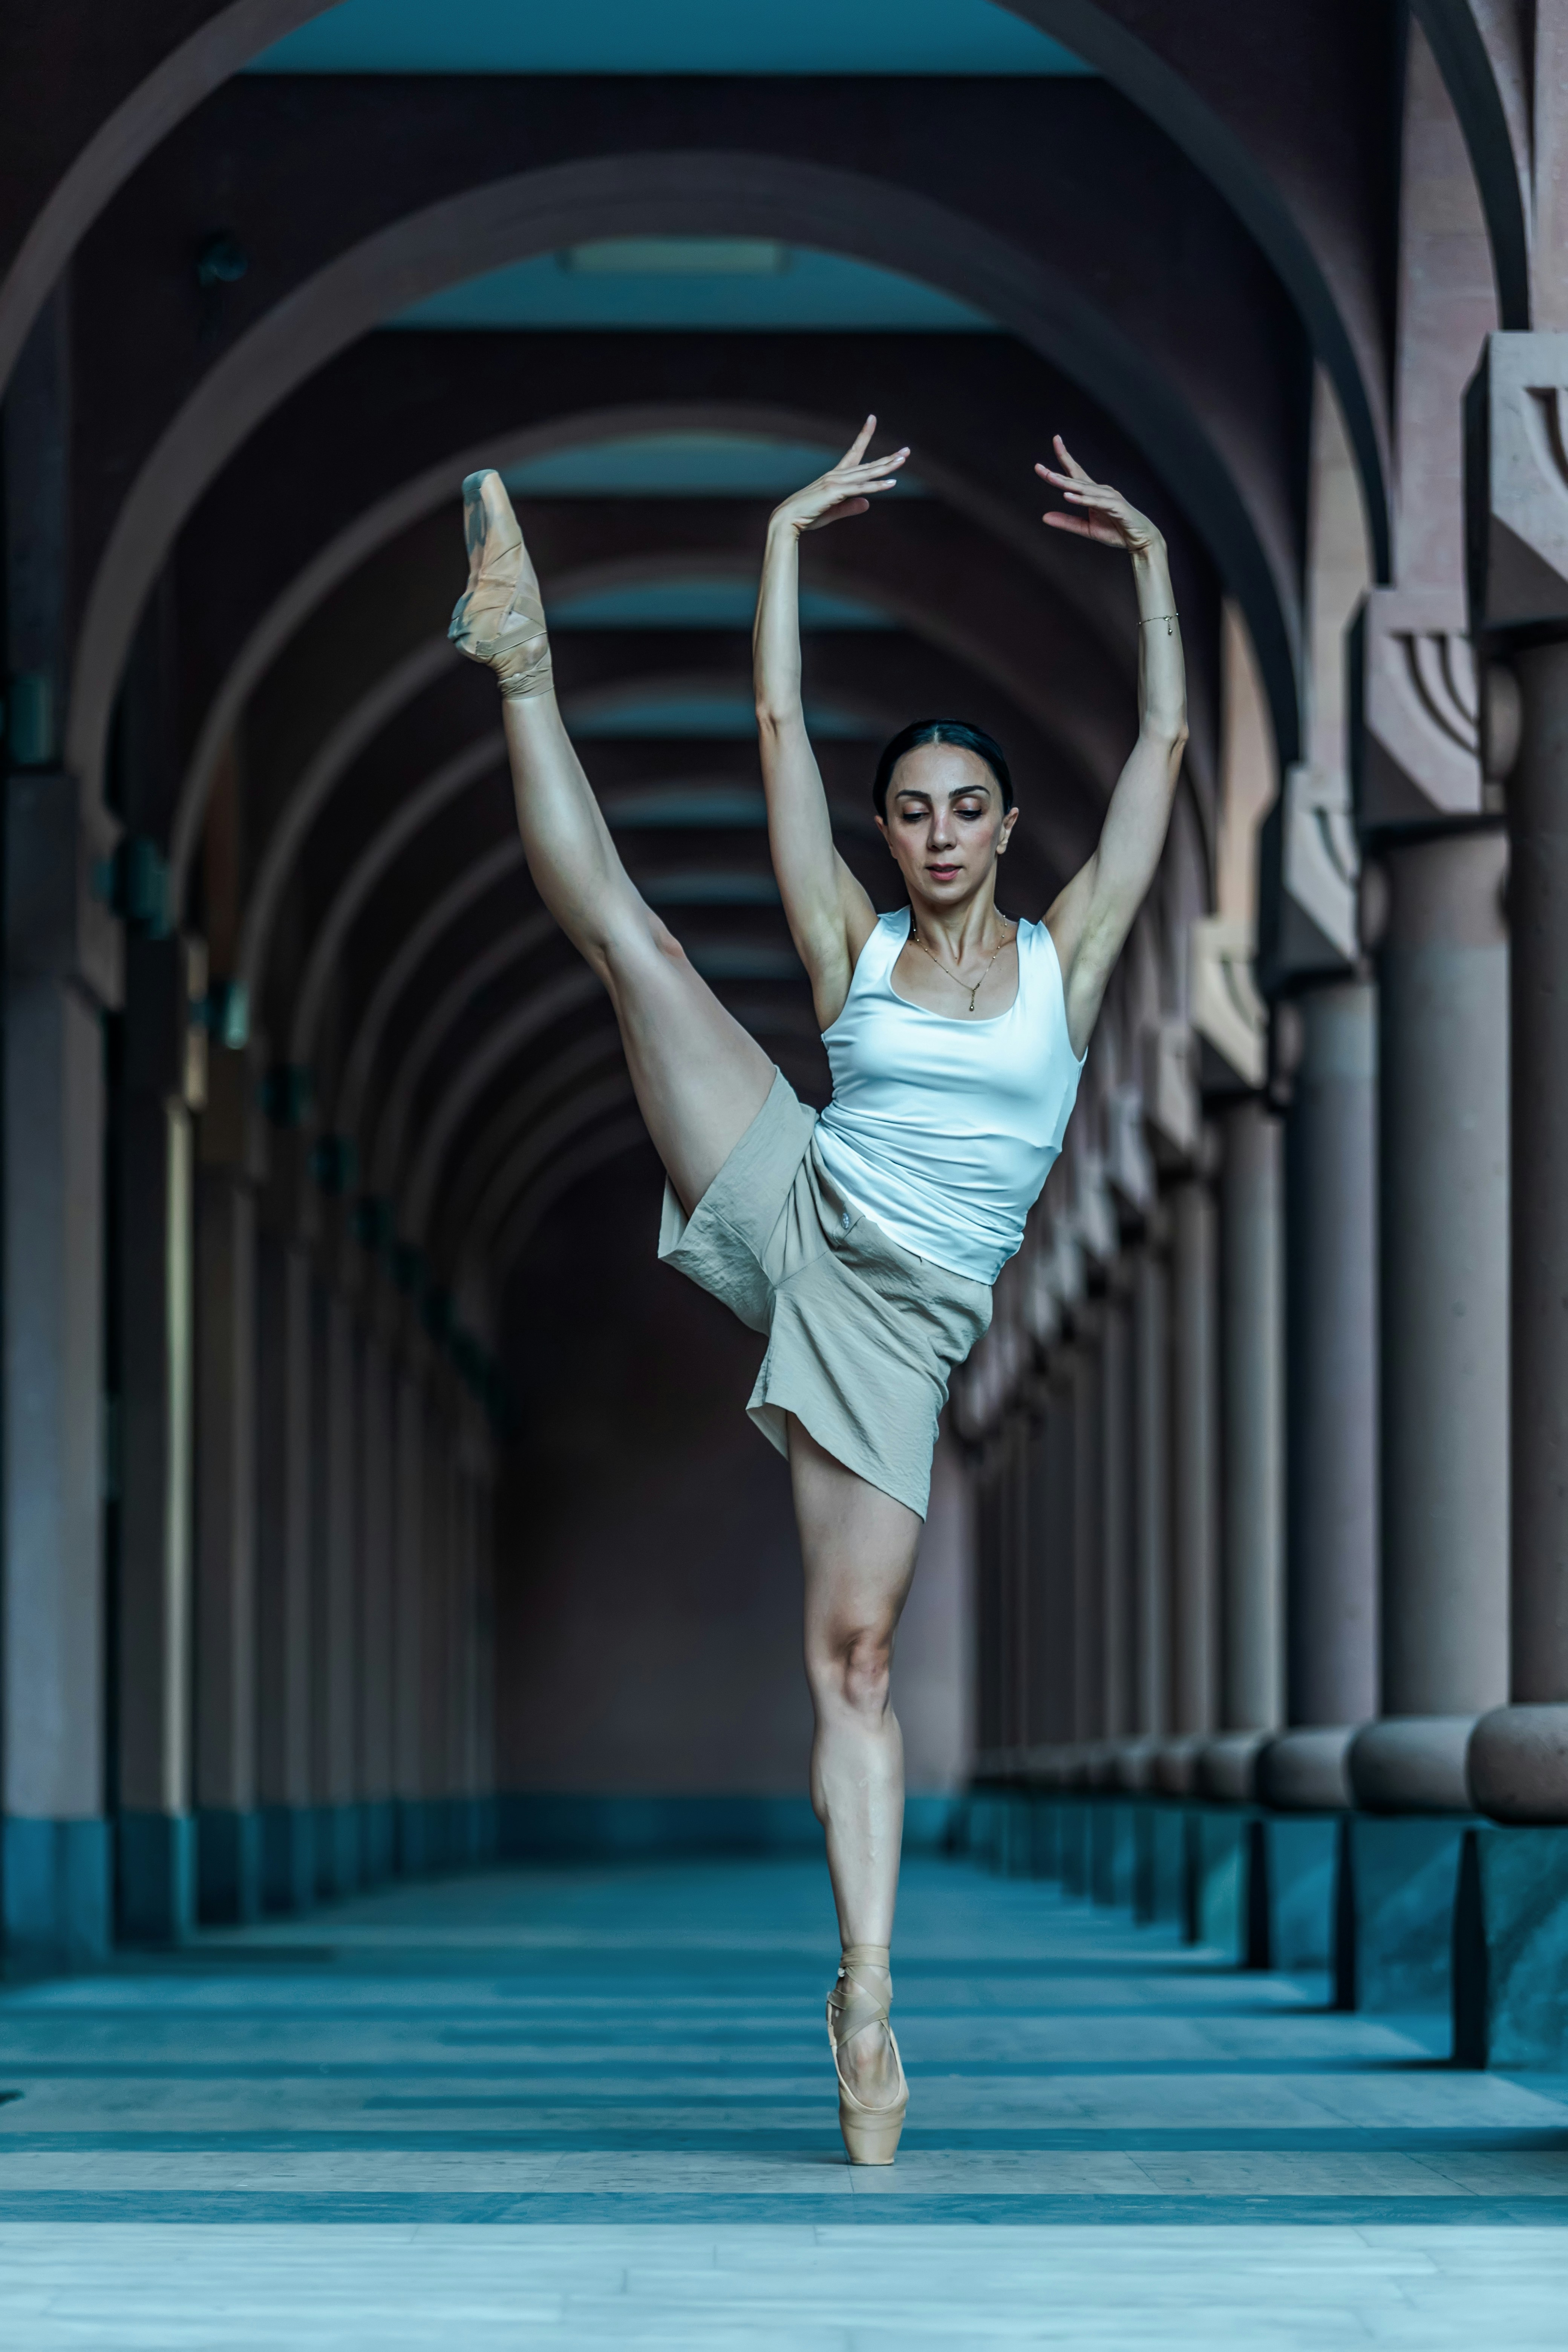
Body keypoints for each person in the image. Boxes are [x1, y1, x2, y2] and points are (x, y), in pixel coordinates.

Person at [449, 419, 1188, 2164]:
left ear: (1006, 830)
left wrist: (1151, 567)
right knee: (630, 940)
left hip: (897, 1326)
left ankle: (864, 1996)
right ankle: (522, 659)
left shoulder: (1059, 970)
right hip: (795, 1191)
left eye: (963, 811)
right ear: (890, 832)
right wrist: (781, 538)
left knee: (852, 1665)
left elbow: (1162, 742)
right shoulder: (848, 947)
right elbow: (775, 729)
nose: (935, 834)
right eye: (910, 813)